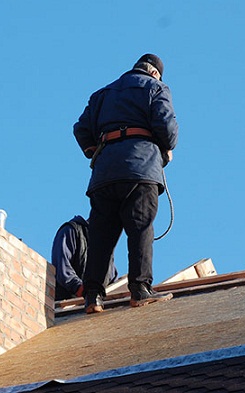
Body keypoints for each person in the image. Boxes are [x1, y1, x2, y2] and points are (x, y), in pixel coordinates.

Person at [73, 53, 179, 313]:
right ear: (155, 73)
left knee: (101, 236)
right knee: (140, 228)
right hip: (140, 168)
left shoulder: (102, 94)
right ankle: (141, 290)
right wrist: (166, 148)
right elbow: (167, 127)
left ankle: (93, 297)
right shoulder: (157, 87)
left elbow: (80, 128)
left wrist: (95, 150)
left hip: (104, 174)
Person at [51, 215, 117, 301]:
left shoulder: (105, 248)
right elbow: (62, 268)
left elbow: (112, 280)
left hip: (94, 307)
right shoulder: (72, 231)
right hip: (67, 305)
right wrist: (80, 288)